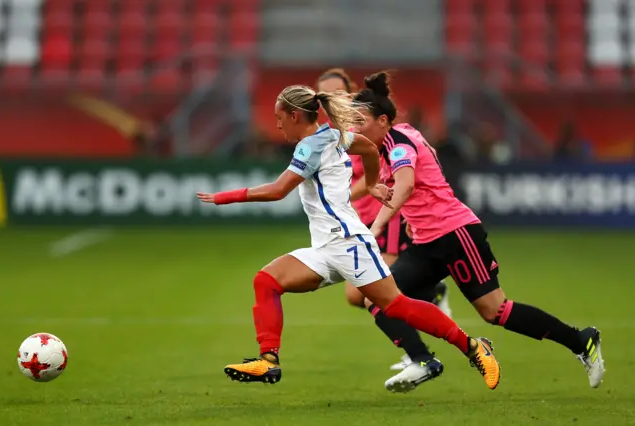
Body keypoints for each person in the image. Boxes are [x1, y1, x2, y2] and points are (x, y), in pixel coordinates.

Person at [197, 84, 501, 391]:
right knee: (266, 281)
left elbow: (278, 190)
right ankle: (268, 360)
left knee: (394, 305)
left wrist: (224, 197)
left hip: (348, 244)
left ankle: (474, 347)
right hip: (326, 247)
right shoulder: (334, 135)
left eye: (279, 117)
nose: (277, 125)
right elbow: (369, 148)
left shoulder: (310, 146)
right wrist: (372, 183)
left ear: (293, 115)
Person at [352, 71, 605, 389]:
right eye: (352, 121)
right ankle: (422, 361)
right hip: (426, 242)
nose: (354, 128)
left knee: (494, 310)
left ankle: (581, 341)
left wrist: (375, 226)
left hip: (455, 234)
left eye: (360, 121)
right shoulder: (382, 143)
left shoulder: (400, 143)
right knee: (378, 299)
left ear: (383, 121)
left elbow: (404, 185)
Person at [316, 68, 452, 391]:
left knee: (373, 291)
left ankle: (418, 354)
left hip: (383, 215)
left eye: (336, 92)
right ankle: (428, 300)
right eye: (323, 95)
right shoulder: (332, 130)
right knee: (360, 295)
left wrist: (346, 194)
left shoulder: (364, 127)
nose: (329, 100)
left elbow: (381, 176)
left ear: (349, 91)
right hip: (359, 220)